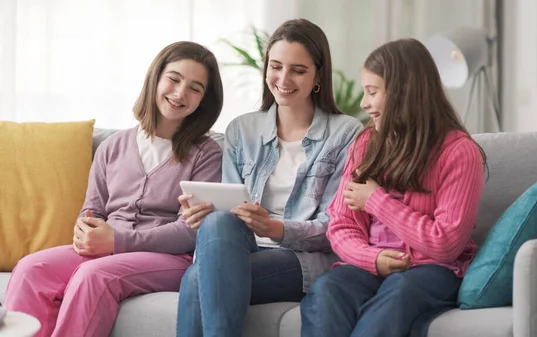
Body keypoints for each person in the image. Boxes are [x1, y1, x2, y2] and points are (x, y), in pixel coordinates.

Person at [3, 41, 224, 337]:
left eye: (195, 88)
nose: (180, 93)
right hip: (106, 248)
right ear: (156, 78)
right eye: (173, 79)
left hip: (170, 258)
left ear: (204, 100)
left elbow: (190, 232)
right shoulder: (112, 146)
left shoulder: (206, 153)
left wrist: (117, 242)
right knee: (31, 269)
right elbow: (92, 208)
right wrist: (87, 230)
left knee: (94, 275)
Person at [176, 19, 363, 337]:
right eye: (276, 67)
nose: (283, 79)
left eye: (298, 70)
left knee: (197, 279)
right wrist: (200, 212)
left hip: (302, 259)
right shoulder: (241, 130)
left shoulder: (345, 133)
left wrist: (274, 229)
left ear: (318, 74)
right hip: (242, 248)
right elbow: (226, 212)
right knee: (218, 223)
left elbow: (336, 228)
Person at [300, 38, 487, 337]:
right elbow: (341, 225)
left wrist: (376, 200)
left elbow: (446, 243)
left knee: (399, 293)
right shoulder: (366, 144)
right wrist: (371, 258)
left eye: (372, 92)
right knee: (327, 290)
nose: (363, 103)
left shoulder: (459, 152)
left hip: (433, 271)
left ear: (404, 93)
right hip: (370, 267)